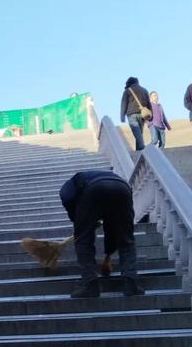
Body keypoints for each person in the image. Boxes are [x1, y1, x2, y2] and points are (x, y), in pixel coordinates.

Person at [59, 169, 144, 299]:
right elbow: (112, 231)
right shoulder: (85, 181)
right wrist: (108, 253)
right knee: (126, 239)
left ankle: (90, 285)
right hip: (123, 188)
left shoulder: (69, 187)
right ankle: (130, 283)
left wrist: (79, 223)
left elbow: (66, 197)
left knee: (83, 241)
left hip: (94, 189)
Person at [120, 77, 151, 151]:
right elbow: (148, 103)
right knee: (139, 132)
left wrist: (122, 116)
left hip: (131, 114)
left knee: (137, 132)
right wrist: (150, 114)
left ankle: (142, 148)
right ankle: (139, 150)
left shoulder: (127, 91)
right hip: (143, 114)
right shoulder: (144, 90)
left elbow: (124, 103)